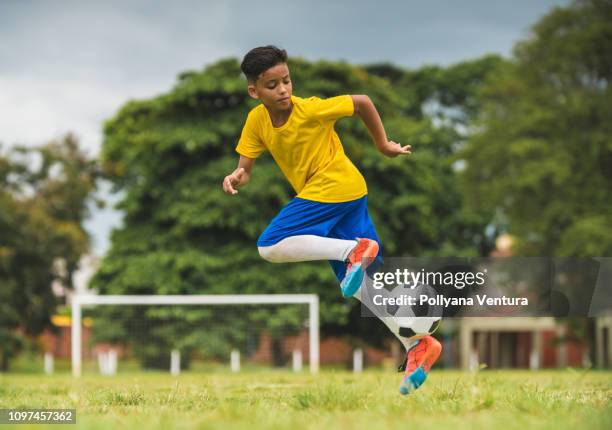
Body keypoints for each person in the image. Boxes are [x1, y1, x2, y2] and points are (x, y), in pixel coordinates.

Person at [222, 45, 441, 394]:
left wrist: (383, 145)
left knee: (269, 244)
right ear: (254, 91)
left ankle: (353, 251)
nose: (283, 90)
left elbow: (362, 101)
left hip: (334, 187)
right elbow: (245, 168)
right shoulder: (257, 121)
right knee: (369, 287)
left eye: (287, 81)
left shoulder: (310, 109)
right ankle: (418, 344)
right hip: (349, 195)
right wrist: (236, 177)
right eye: (272, 84)